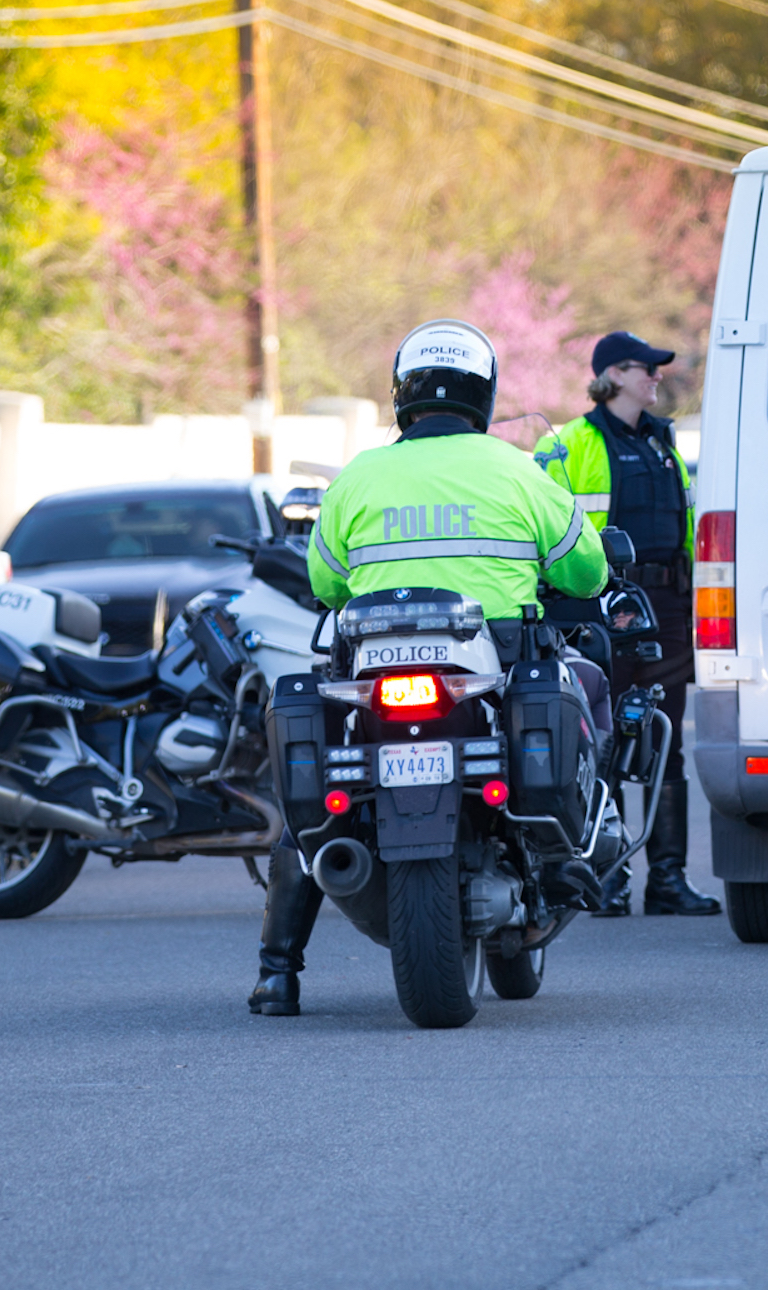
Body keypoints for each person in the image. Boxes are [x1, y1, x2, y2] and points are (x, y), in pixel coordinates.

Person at [249, 318, 611, 1018]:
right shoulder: (516, 469)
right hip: (490, 666)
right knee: (585, 684)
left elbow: (325, 583)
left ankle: (277, 974)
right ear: (484, 394)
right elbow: (586, 568)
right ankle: (572, 854)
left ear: (400, 396)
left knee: (316, 806)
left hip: (374, 670)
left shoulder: (357, 477)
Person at [535, 330, 720, 917]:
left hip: (666, 606)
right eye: (647, 369)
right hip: (600, 607)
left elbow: (687, 529)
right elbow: (545, 529)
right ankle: (607, 879)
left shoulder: (664, 442)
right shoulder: (567, 444)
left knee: (664, 741)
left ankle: (667, 881)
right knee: (606, 742)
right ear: (613, 375)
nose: (657, 377)